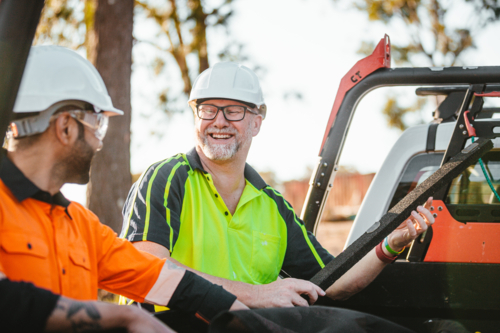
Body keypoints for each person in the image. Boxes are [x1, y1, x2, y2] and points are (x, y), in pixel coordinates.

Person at [120, 62, 434, 309]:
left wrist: (391, 244)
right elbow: (145, 269)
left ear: (256, 122)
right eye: (208, 109)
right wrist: (256, 295)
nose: (218, 121)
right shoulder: (165, 179)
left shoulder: (272, 205)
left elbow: (333, 284)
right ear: (195, 116)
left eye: (234, 111)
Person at [0, 46, 247, 332]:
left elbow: (159, 277)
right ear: (66, 127)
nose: (99, 142)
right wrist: (126, 317)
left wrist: (248, 321)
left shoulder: (80, 225)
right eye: (98, 124)